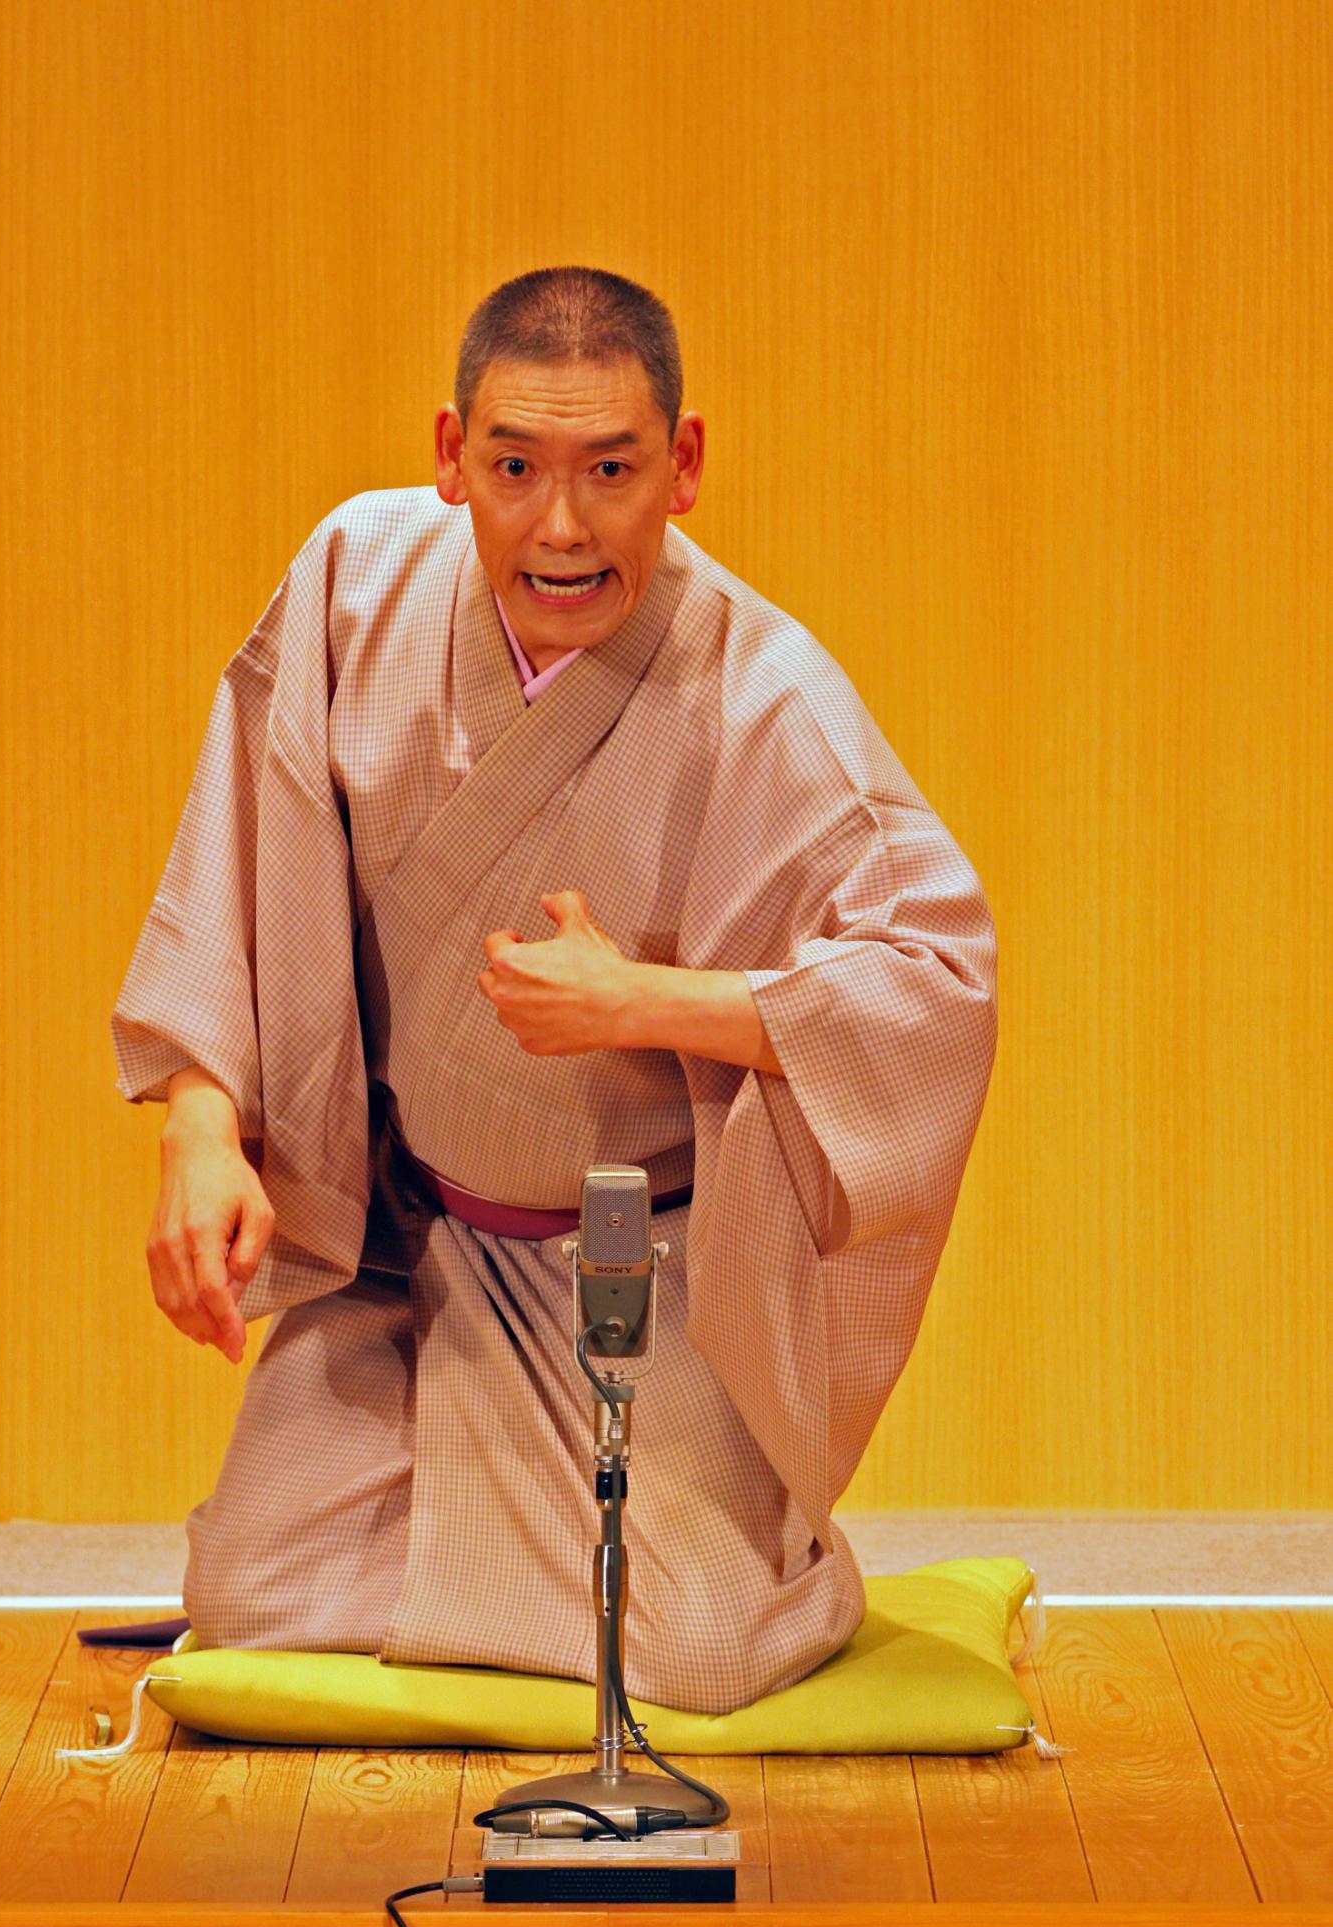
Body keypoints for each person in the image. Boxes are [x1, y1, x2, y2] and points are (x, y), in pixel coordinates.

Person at [109, 265, 998, 1713]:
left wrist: (640, 1002)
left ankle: (762, 1560)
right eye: (516, 467)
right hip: (409, 1249)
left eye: (611, 470)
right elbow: (237, 864)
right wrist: (203, 1127)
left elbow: (933, 986)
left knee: (699, 1652)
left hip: (642, 1271)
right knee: (252, 1594)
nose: (562, 527)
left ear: (684, 467)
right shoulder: (353, 583)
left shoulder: (766, 695)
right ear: (451, 455)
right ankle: (532, 1554)